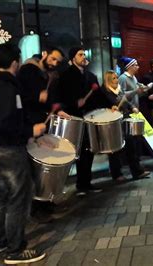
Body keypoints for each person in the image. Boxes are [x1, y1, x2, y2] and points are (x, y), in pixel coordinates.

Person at [0, 43, 46, 264]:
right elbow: (4, 122)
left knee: (3, 196)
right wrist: (31, 130)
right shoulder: (7, 88)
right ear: (14, 62)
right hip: (8, 150)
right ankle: (15, 249)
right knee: (19, 198)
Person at [18, 47, 64, 223]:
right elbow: (21, 98)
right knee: (36, 167)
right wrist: (37, 97)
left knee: (44, 163)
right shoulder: (28, 70)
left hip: (42, 124)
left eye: (57, 62)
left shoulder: (48, 75)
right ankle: (36, 209)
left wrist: (54, 109)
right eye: (52, 59)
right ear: (44, 54)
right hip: (31, 125)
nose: (54, 64)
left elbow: (48, 101)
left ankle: (45, 202)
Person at [52, 47, 102, 196]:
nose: (83, 57)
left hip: (89, 118)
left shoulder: (91, 76)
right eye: (80, 55)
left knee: (89, 150)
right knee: (74, 152)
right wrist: (74, 103)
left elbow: (97, 96)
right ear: (73, 58)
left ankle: (85, 183)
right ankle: (65, 187)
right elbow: (61, 97)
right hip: (72, 118)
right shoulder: (65, 76)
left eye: (84, 54)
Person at [93, 70, 151, 180]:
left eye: (116, 77)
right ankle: (117, 174)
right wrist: (109, 109)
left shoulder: (118, 89)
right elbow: (99, 106)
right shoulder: (103, 91)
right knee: (115, 148)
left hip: (124, 119)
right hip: (112, 122)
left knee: (131, 145)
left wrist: (132, 107)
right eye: (114, 78)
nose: (116, 80)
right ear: (109, 80)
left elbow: (125, 100)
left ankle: (137, 172)